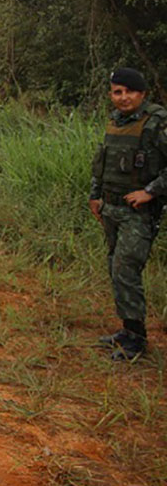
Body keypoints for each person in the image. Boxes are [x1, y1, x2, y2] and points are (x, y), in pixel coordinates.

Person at [89, 68, 167, 361]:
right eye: (117, 92)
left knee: (125, 269)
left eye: (129, 91)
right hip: (111, 207)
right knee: (116, 268)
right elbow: (102, 162)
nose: (123, 98)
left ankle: (136, 340)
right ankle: (127, 330)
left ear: (143, 93)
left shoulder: (157, 123)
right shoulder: (116, 122)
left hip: (139, 213)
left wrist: (151, 191)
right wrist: (95, 195)